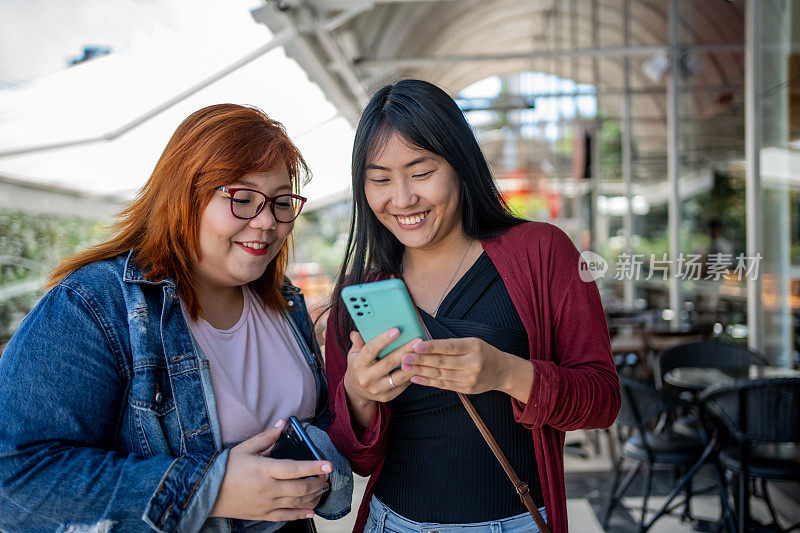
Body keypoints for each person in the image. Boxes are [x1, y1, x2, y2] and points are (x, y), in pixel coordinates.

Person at [0, 104, 351, 532]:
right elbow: (15, 480)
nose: (267, 222)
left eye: (281, 202)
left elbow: (310, 428)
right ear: (185, 196)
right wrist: (210, 488)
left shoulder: (283, 301)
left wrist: (358, 399)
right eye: (242, 199)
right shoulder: (94, 303)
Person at [324, 80, 620, 533]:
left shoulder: (543, 252)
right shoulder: (359, 295)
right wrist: (360, 395)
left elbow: (602, 401)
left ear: (460, 165)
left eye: (421, 173)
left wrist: (507, 374)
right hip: (392, 524)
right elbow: (356, 458)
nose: (402, 199)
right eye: (380, 179)